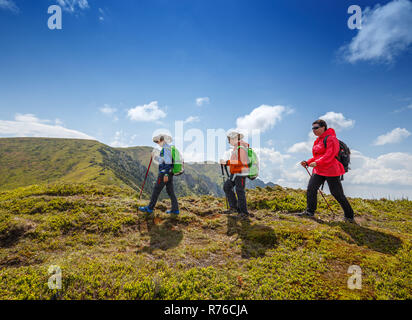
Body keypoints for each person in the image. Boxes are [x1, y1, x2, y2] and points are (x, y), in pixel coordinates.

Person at [299, 119, 355, 223]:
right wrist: (307, 162)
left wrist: (317, 162)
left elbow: (330, 154)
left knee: (337, 193)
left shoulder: (331, 139)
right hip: (319, 170)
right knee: (311, 188)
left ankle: (349, 216)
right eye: (312, 128)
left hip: (331, 170)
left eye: (316, 128)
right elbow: (317, 156)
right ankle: (310, 212)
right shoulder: (318, 140)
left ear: (323, 127)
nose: (313, 130)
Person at [139, 134, 180, 215]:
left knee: (156, 190)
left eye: (158, 141)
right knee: (170, 191)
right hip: (169, 172)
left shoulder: (166, 149)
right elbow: (163, 160)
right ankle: (175, 210)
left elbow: (168, 163)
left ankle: (150, 208)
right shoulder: (167, 148)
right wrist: (155, 157)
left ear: (162, 140)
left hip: (164, 173)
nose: (157, 143)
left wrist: (165, 175)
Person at [220, 131, 250, 219]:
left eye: (229, 139)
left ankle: (244, 212)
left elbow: (241, 162)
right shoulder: (237, 148)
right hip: (235, 173)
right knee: (227, 187)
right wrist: (227, 163)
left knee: (240, 191)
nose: (228, 141)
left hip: (240, 173)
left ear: (234, 138)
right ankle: (234, 208)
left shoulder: (241, 147)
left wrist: (227, 162)